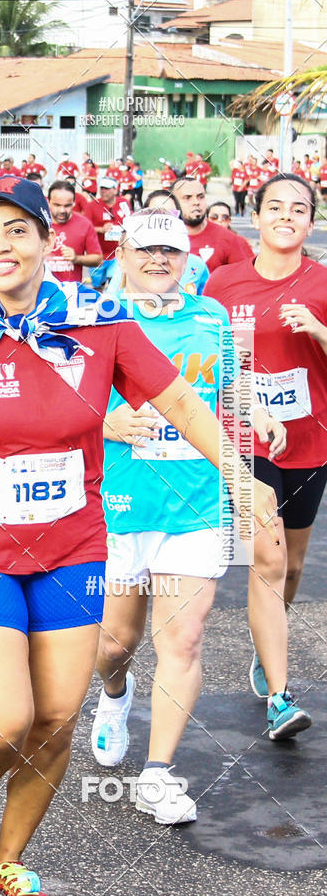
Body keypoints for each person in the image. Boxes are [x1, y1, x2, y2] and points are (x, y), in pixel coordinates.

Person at [0, 177, 278, 896]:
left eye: (17, 229)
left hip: (74, 548)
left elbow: (177, 399)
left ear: (49, 241)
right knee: (7, 717)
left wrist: (239, 475)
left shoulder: (99, 321)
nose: (0, 245)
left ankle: (9, 859)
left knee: (54, 720)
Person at [91, 208, 284, 824]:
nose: (158, 261)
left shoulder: (211, 316)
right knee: (114, 643)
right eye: (146, 250)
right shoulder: (93, 318)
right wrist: (104, 420)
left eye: (170, 251)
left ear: (187, 258)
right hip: (118, 500)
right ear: (122, 255)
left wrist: (255, 410)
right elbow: (58, 398)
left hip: (197, 502)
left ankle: (157, 773)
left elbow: (232, 382)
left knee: (184, 637)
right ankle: (115, 694)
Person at [205, 172, 324, 740]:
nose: (286, 216)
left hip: (310, 439)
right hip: (244, 437)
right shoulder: (223, 282)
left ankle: (265, 641)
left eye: (298, 209)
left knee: (292, 566)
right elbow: (203, 353)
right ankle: (280, 694)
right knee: (268, 556)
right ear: (255, 216)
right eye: (274, 206)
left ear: (311, 222)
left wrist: (319, 329)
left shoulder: (322, 283)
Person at [171, 177, 252, 272]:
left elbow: (247, 276)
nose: (196, 202)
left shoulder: (229, 239)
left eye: (200, 197)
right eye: (187, 198)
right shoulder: (162, 237)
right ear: (173, 202)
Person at [46, 180, 102, 282]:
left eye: (67, 205)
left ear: (73, 203)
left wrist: (76, 258)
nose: (62, 210)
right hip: (41, 289)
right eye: (57, 205)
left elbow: (98, 259)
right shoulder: (38, 223)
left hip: (71, 289)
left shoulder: (84, 225)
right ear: (48, 202)